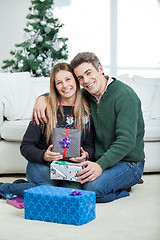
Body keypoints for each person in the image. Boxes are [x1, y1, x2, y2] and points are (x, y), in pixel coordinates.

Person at [32, 52, 145, 203]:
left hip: (129, 163)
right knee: (77, 186)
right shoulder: (87, 95)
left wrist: (99, 166)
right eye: (80, 77)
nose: (85, 81)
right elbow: (64, 92)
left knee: (92, 190)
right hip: (101, 159)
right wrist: (42, 98)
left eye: (88, 73)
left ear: (100, 69)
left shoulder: (125, 96)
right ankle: (114, 180)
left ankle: (125, 186)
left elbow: (126, 141)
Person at [0, 62, 95, 200]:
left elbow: (90, 145)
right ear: (54, 87)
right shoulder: (44, 109)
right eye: (59, 82)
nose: (65, 86)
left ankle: (24, 186)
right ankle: (4, 188)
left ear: (76, 80)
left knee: (72, 196)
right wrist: (44, 156)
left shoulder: (86, 111)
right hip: (41, 165)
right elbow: (26, 146)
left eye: (68, 79)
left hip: (69, 168)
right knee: (47, 192)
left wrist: (85, 155)